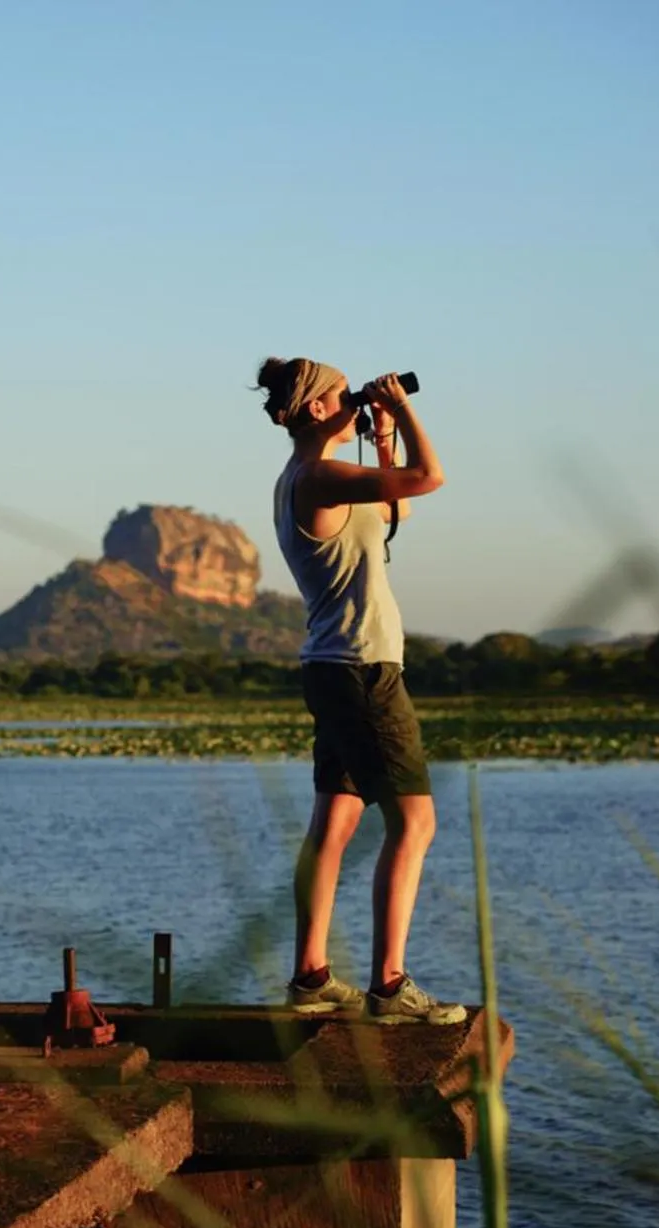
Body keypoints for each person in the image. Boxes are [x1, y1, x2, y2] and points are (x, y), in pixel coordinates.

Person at [257, 356, 466, 1024]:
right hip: (360, 670)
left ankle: (311, 978)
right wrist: (403, 410)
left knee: (337, 822)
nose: (352, 400)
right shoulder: (318, 476)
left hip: (334, 665)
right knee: (414, 821)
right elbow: (429, 479)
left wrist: (380, 432)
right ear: (318, 408)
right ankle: (388, 987)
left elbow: (393, 507)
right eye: (342, 394)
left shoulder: (310, 476)